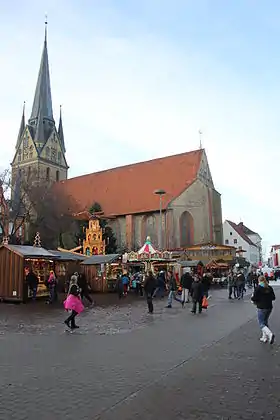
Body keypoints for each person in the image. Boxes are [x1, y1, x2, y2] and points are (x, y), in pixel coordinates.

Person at [251, 275, 275, 344]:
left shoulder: (258, 288)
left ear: (259, 281)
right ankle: (264, 337)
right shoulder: (269, 287)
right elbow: (273, 297)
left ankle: (269, 334)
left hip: (261, 307)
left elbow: (254, 298)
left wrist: (256, 299)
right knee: (265, 322)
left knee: (261, 323)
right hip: (269, 307)